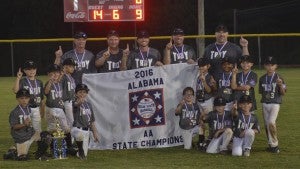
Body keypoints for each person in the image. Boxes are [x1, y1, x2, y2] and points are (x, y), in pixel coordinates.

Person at [44, 64, 75, 155]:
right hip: (51, 109)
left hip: (58, 108)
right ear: (49, 74)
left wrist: (61, 74)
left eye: (57, 72)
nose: (55, 74)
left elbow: (62, 76)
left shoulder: (60, 82)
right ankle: (55, 148)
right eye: (53, 73)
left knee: (62, 128)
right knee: (55, 128)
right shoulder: (49, 83)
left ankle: (65, 147)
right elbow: (46, 92)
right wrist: (50, 81)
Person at [258, 56, 286, 153]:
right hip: (265, 103)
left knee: (271, 122)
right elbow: (262, 92)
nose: (270, 67)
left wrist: (280, 85)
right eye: (268, 65)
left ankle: (275, 144)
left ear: (276, 66)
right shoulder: (262, 78)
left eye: (272, 65)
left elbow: (283, 93)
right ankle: (271, 145)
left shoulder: (279, 77)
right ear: (265, 66)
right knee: (267, 125)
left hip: (275, 103)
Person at [12, 60, 44, 134]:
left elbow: (41, 98)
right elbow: (15, 91)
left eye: (33, 69)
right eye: (29, 69)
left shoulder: (39, 82)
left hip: (36, 108)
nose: (31, 71)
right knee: (26, 127)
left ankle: (38, 142)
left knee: (38, 127)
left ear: (36, 70)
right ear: (24, 71)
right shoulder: (23, 81)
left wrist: (42, 110)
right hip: (26, 108)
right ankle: (26, 141)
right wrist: (18, 78)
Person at [9, 89, 40, 160]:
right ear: (17, 99)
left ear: (29, 99)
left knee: (45, 137)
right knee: (22, 157)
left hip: (31, 134)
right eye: (22, 98)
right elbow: (14, 127)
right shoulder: (14, 112)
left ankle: (39, 155)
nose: (24, 100)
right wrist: (24, 124)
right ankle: (11, 152)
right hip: (21, 138)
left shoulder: (28, 108)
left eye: (26, 98)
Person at [71, 84, 99, 160]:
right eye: (80, 92)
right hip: (77, 129)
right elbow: (77, 104)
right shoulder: (73, 103)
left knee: (84, 154)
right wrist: (80, 102)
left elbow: (92, 121)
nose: (82, 94)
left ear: (87, 93)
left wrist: (95, 133)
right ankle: (79, 149)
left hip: (86, 131)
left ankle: (72, 150)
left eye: (84, 92)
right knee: (79, 135)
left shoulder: (89, 105)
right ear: (76, 93)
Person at [195, 57, 216, 150]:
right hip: (199, 100)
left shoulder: (210, 76)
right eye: (199, 66)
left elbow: (209, 90)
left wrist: (203, 81)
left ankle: (210, 139)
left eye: (203, 66)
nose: (201, 68)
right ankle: (201, 140)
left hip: (207, 100)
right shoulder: (196, 75)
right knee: (200, 121)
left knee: (209, 120)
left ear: (208, 66)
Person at [61, 58, 77, 131]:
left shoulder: (71, 77)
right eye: (71, 66)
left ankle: (70, 137)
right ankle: (71, 137)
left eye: (73, 66)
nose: (73, 68)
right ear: (65, 66)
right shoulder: (63, 77)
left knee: (69, 121)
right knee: (70, 121)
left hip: (70, 102)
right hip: (65, 102)